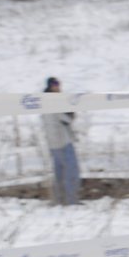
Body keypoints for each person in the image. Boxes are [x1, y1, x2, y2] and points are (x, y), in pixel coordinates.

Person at [40, 76, 81, 206]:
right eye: (55, 85)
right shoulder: (55, 100)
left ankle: (59, 200)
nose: (58, 87)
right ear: (51, 86)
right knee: (71, 171)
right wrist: (71, 112)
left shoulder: (43, 101)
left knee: (59, 173)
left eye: (58, 84)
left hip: (52, 143)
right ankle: (71, 201)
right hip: (63, 141)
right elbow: (66, 119)